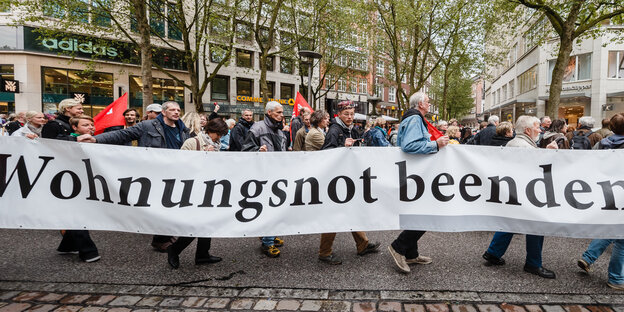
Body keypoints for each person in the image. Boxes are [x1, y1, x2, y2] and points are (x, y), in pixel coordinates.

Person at [81, 101, 190, 252]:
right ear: (163, 112)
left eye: (178, 110)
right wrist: (96, 139)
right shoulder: (147, 126)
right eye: (172, 110)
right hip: (155, 172)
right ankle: (160, 240)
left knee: (171, 204)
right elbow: (123, 134)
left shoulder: (183, 129)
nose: (176, 112)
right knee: (162, 204)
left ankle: (165, 234)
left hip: (176, 172)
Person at [482, 115, 557, 279]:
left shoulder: (515, 143)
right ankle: (533, 263)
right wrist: (548, 154)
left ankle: (493, 253)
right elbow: (533, 169)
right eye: (537, 127)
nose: (540, 130)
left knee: (511, 222)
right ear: (528, 130)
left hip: (515, 192)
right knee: (536, 226)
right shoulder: (524, 147)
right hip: (527, 194)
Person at [387, 92, 448, 273]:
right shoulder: (415, 119)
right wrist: (436, 144)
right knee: (426, 213)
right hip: (418, 173)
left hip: (418, 172)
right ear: (420, 104)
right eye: (428, 102)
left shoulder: (414, 118)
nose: (429, 104)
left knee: (419, 211)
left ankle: (411, 253)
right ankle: (398, 247)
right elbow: (410, 146)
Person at [318, 101, 380, 265]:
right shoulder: (334, 130)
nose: (350, 117)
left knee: (352, 210)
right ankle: (324, 252)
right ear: (339, 114)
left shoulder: (351, 129)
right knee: (334, 214)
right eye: (347, 114)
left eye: (352, 114)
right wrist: (341, 146)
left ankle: (363, 244)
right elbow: (325, 154)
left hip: (347, 177)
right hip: (336, 179)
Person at [166, 118, 229, 269]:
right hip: (194, 190)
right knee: (196, 225)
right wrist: (203, 157)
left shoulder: (216, 145)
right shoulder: (193, 142)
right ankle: (174, 249)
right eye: (218, 134)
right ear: (210, 130)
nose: (219, 137)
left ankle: (202, 254)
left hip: (210, 188)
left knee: (207, 224)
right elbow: (180, 165)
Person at [577, 113, 624, 290]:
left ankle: (588, 258)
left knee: (612, 227)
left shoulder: (602, 143)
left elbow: (591, 164)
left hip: (606, 192)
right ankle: (616, 278)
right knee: (622, 238)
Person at [242, 101, 287, 257]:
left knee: (275, 207)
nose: (282, 115)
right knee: (270, 208)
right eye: (278, 113)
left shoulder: (280, 131)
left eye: (282, 113)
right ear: (269, 113)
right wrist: (257, 150)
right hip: (263, 175)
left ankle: (270, 236)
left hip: (277, 175)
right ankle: (267, 243)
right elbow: (245, 150)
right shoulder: (257, 128)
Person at [53, 114, 100, 262]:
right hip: (68, 181)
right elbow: (51, 143)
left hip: (87, 180)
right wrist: (75, 140)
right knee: (76, 212)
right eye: (85, 125)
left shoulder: (95, 140)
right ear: (74, 127)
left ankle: (68, 245)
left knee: (80, 210)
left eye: (91, 125)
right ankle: (88, 251)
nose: (90, 128)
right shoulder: (65, 138)